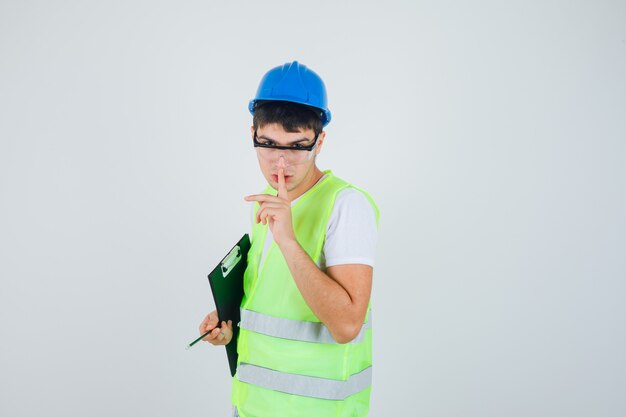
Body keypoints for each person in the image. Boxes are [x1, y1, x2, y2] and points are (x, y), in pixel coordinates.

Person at [198, 61, 379, 417]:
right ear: (252, 133)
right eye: (267, 143)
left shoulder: (347, 206)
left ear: (320, 141)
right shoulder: (269, 199)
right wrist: (230, 328)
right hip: (251, 406)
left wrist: (289, 241)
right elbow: (276, 306)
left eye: (297, 146)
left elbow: (346, 326)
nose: (281, 162)